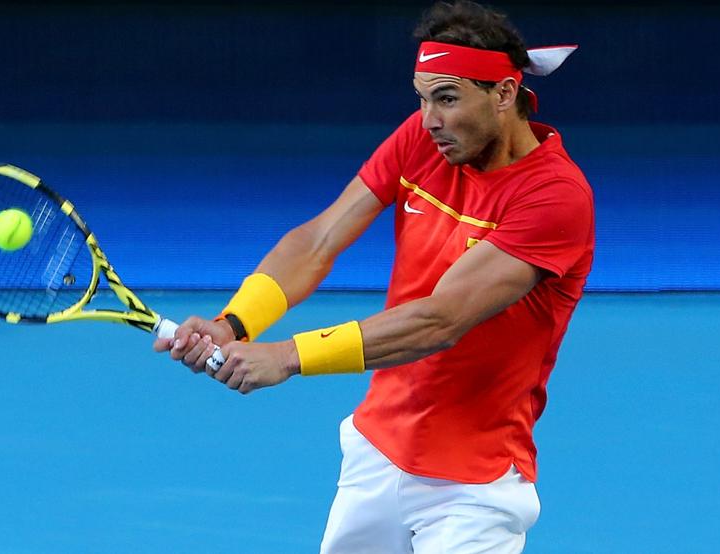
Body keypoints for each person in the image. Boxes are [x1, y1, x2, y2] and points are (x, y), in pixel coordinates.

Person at [154, 1, 594, 552]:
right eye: (422, 96)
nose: (430, 117)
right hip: (376, 452)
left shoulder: (554, 198)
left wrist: (288, 356)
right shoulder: (422, 140)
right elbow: (320, 239)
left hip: (472, 488)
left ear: (503, 93)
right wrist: (235, 323)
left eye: (448, 98)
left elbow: (441, 320)